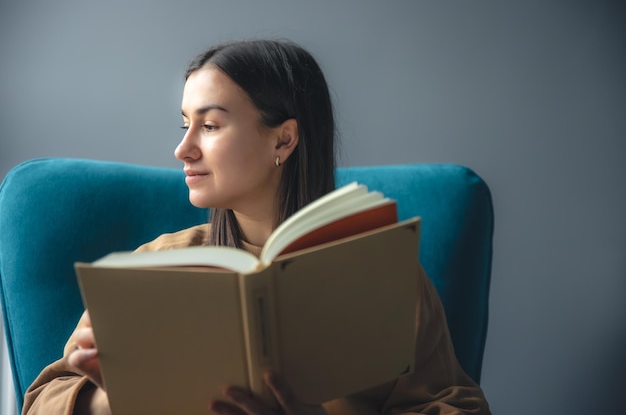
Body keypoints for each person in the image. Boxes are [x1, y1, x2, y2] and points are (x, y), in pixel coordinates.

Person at [21, 39, 491, 415]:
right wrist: (113, 401)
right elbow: (39, 403)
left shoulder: (380, 271)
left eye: (209, 126)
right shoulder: (156, 266)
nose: (182, 149)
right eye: (184, 123)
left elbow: (455, 406)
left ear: (283, 140)